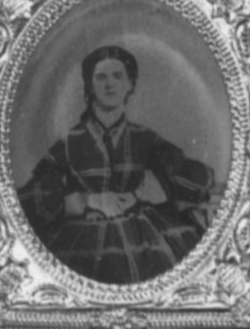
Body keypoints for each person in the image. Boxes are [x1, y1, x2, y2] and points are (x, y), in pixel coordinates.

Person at [16, 41, 217, 285]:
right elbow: (30, 199)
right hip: (83, 237)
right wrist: (86, 201)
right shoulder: (69, 144)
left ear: (130, 84)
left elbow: (198, 177)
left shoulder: (144, 139)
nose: (109, 84)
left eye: (117, 76)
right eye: (100, 77)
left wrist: (142, 194)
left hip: (145, 235)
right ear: (90, 85)